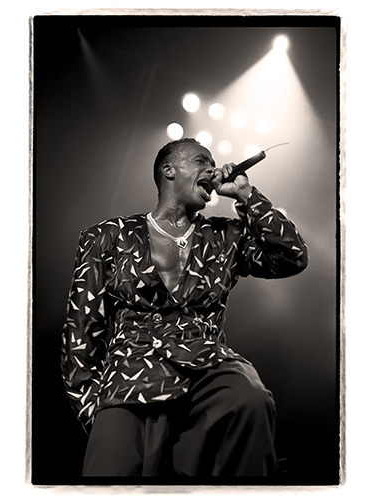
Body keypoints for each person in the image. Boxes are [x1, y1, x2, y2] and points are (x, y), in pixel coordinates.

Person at [61, 138, 308, 479]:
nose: (213, 168)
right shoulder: (107, 236)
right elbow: (80, 332)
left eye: (214, 163)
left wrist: (246, 196)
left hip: (207, 370)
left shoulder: (224, 236)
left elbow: (292, 256)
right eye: (202, 161)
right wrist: (94, 409)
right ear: (169, 170)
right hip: (130, 382)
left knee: (250, 398)